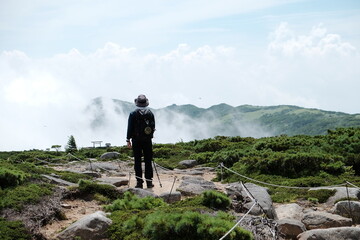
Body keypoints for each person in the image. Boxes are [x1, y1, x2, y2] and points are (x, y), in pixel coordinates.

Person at [126, 94, 156, 189]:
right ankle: (149, 182)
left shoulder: (133, 114)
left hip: (136, 140)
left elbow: (130, 128)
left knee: (137, 161)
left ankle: (139, 182)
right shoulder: (150, 113)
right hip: (147, 140)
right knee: (148, 160)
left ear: (137, 103)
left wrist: (128, 140)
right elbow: (153, 127)